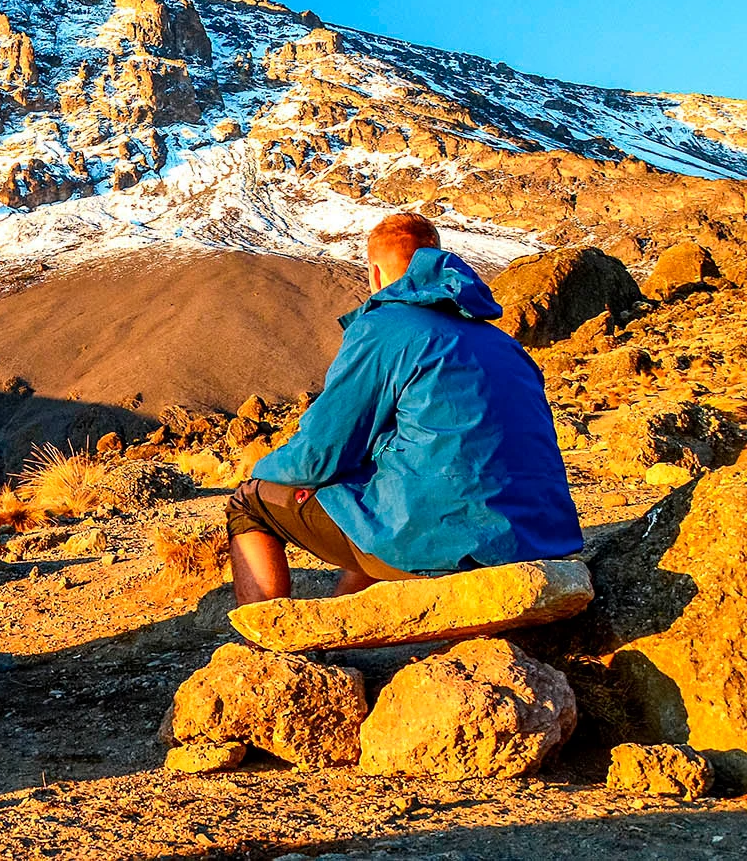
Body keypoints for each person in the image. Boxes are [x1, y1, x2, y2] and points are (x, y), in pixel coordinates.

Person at [227, 212, 582, 604]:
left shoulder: (385, 327)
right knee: (370, 492)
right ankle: (347, 617)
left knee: (249, 502)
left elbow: (318, 456)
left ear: (375, 274)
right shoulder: (502, 342)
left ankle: (265, 643)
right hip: (541, 537)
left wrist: (260, 472)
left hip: (446, 542)